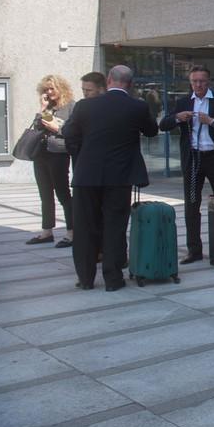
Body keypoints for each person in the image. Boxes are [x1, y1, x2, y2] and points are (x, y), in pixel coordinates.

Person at [62, 65, 158, 290]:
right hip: (119, 177)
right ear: (130, 84)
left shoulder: (85, 106)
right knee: (114, 227)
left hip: (87, 176)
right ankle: (113, 280)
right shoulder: (137, 106)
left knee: (85, 227)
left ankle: (85, 279)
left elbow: (68, 133)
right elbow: (152, 131)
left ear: (108, 80)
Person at [159, 65, 214, 264]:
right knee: (192, 205)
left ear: (208, 81)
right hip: (194, 159)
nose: (198, 85)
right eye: (194, 81)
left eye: (202, 81)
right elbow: (163, 124)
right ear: (190, 82)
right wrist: (178, 117)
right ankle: (194, 250)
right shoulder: (183, 101)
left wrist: (212, 121)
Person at [26, 74, 76, 247]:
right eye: (46, 89)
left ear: (60, 88)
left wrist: (54, 124)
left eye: (52, 88)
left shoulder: (70, 106)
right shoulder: (47, 107)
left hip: (58, 153)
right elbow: (38, 125)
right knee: (45, 194)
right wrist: (43, 108)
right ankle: (46, 232)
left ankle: (71, 232)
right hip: (41, 153)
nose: (49, 91)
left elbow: (69, 130)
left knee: (62, 193)